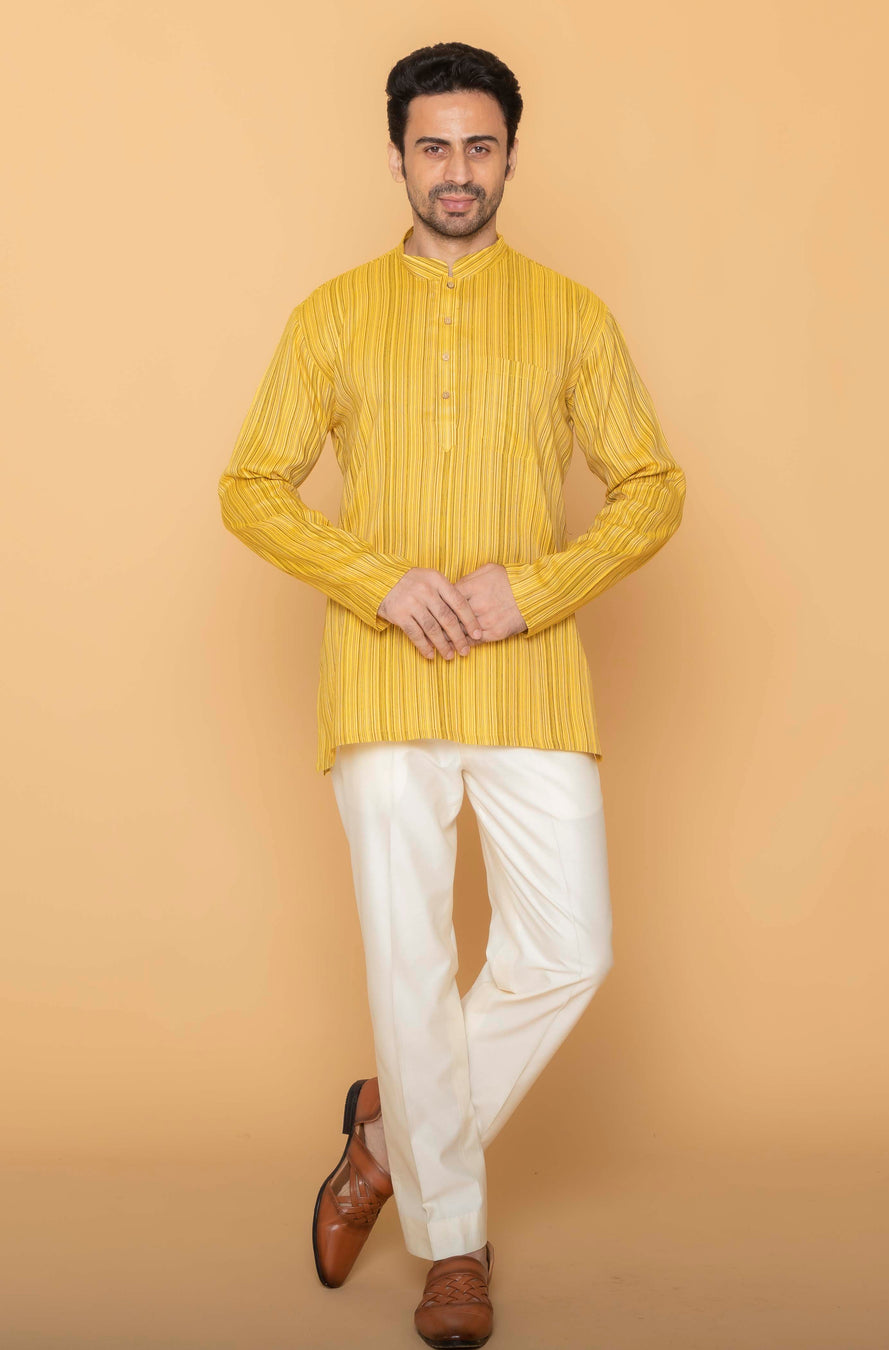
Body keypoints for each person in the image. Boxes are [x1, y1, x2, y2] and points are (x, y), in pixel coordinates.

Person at [218, 40, 686, 1350]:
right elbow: (250, 485)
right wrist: (378, 581)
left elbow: (653, 485)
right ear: (398, 158)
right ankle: (455, 1249)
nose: (458, 169)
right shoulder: (331, 315)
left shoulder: (573, 316)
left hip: (528, 679)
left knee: (570, 949)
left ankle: (383, 1141)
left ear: (511, 158)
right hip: (382, 681)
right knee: (412, 965)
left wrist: (535, 589)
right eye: (435, 146)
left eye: (480, 146)